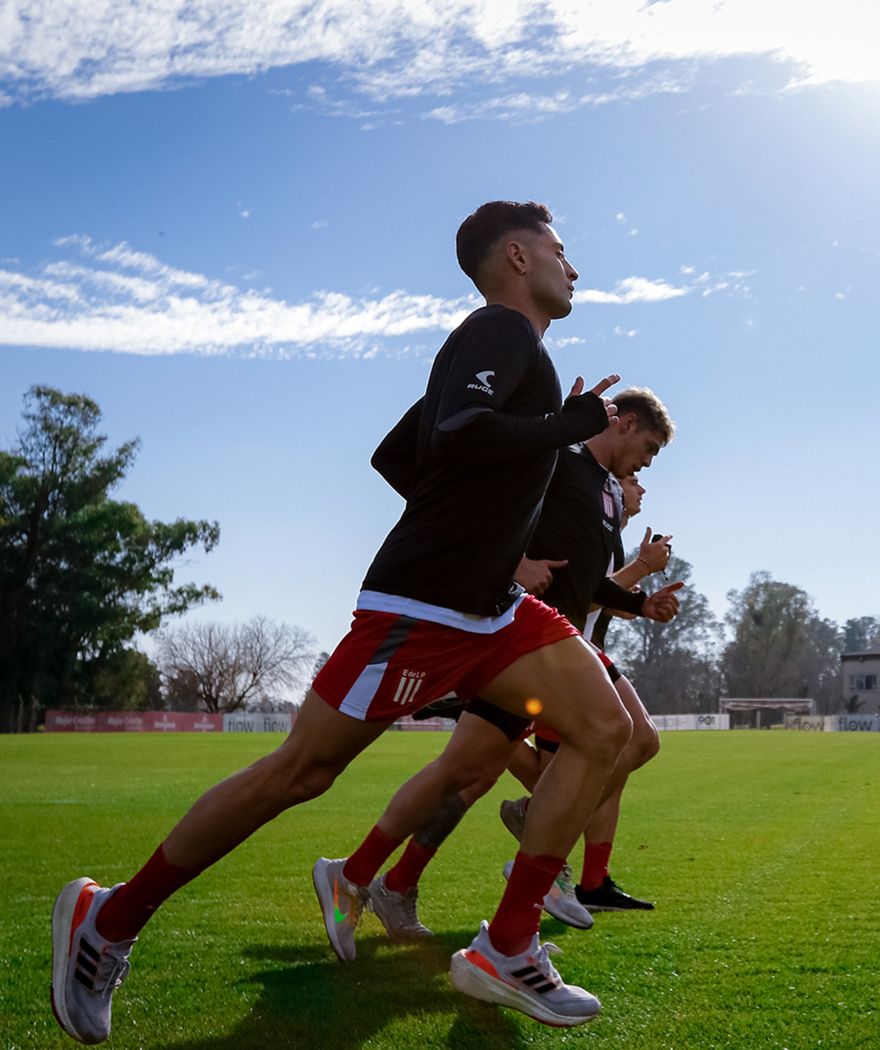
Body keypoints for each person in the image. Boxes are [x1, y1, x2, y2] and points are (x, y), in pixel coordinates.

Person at [52, 200, 630, 1042]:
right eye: (561, 250)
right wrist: (568, 428)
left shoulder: (511, 351)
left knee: (608, 730)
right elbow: (463, 435)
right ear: (517, 256)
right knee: (300, 773)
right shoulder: (498, 332)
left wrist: (495, 546)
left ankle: (506, 947)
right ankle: (107, 921)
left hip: (489, 609)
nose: (573, 267)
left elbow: (406, 453)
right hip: (422, 608)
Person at [324, 390, 678, 948]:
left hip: (537, 645)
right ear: (627, 423)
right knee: (629, 735)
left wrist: (639, 603)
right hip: (522, 642)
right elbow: (473, 505)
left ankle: (368, 875)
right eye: (650, 448)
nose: (648, 463)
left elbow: (582, 585)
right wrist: (512, 564)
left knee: (464, 773)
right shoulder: (559, 459)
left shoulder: (600, 491)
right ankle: (526, 901)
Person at [499, 469, 672, 913]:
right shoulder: (582, 517)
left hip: (580, 659)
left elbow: (605, 600)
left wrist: (641, 601)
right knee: (491, 768)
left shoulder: (609, 533)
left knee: (602, 765)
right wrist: (642, 569)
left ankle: (591, 881)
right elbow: (584, 596)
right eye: (634, 476)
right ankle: (538, 854)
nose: (641, 487)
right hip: (561, 660)